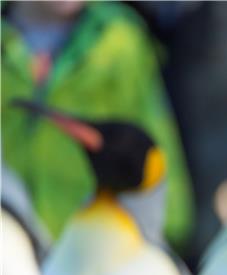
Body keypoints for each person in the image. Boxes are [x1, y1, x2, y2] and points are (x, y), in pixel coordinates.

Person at [2, 1, 194, 250]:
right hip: (9, 242)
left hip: (95, 241)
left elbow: (153, 138)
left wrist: (164, 231)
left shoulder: (117, 37)